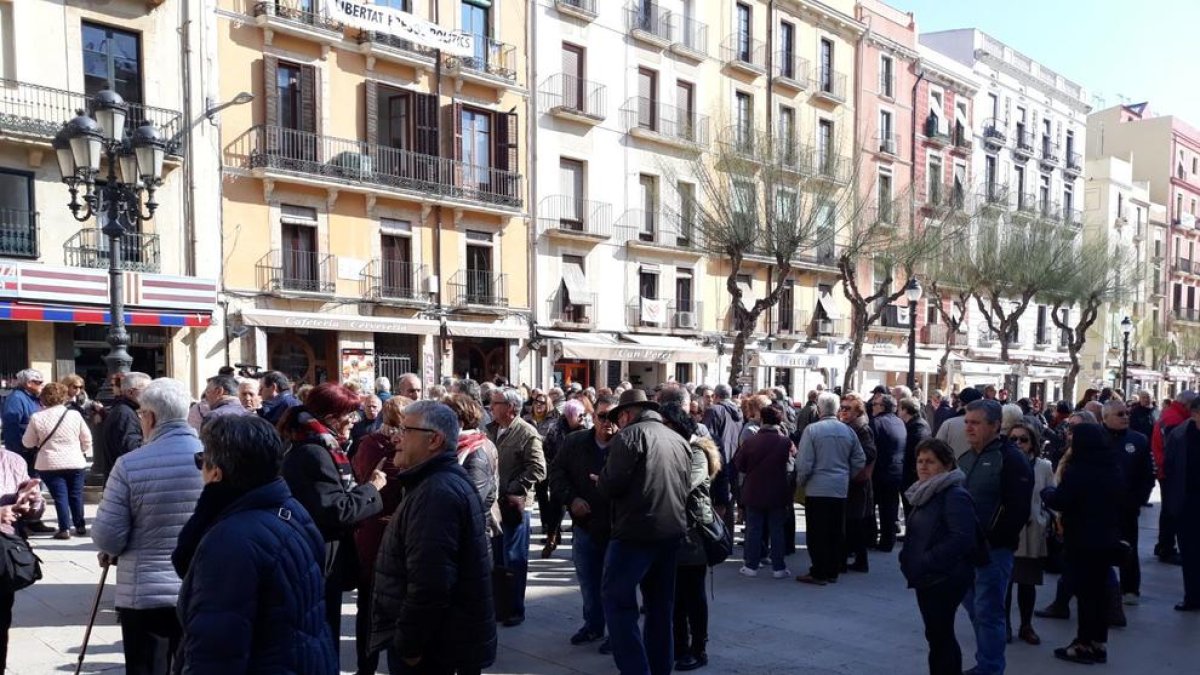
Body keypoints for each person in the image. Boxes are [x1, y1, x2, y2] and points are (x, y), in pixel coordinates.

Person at [173, 415, 337, 673]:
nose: (200, 468)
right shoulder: (291, 509)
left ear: (217, 472)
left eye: (202, 460)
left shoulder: (231, 539)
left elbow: (217, 648)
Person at [369, 400, 498, 675]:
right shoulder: (434, 483)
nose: (396, 437)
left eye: (405, 430)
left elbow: (431, 583)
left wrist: (410, 646)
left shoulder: (436, 492)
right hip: (440, 644)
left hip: (434, 650)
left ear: (434, 440)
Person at [91, 378, 203, 674]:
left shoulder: (130, 464)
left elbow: (108, 537)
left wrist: (109, 548)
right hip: (200, 588)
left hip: (146, 594)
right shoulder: (213, 459)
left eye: (141, 414)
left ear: (150, 417)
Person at [278, 383, 388, 650]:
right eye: (350, 415)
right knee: (322, 636)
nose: (354, 421)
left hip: (321, 555)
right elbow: (337, 509)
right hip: (319, 557)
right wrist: (372, 488)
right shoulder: (314, 453)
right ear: (330, 418)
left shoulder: (319, 445)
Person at [598, 389, 691, 675]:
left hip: (635, 534)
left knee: (618, 603)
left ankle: (636, 669)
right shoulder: (678, 439)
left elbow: (612, 484)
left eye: (618, 418)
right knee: (660, 609)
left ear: (626, 415)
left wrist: (600, 478)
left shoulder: (629, 436)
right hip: (670, 533)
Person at [958, 400, 1034, 675]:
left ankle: (990, 668)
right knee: (975, 609)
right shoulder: (967, 457)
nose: (969, 427)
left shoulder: (1011, 459)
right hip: (965, 550)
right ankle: (985, 662)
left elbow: (1018, 510)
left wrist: (992, 541)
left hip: (993, 552)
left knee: (989, 612)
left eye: (975, 423)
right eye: (967, 421)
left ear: (995, 425)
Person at [1041, 423, 1124, 665]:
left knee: (1085, 593)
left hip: (1082, 539)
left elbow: (1062, 499)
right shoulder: (1112, 467)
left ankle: (1083, 644)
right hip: (1107, 537)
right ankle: (1098, 642)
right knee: (1098, 593)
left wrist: (1047, 494)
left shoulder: (1080, 470)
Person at [900, 439, 978, 675]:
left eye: (930, 462)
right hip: (927, 576)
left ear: (946, 465)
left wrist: (926, 560)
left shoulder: (953, 494)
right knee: (937, 635)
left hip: (944, 578)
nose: (923, 466)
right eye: (920, 461)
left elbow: (962, 538)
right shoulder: (924, 492)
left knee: (940, 636)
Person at [550, 395, 617, 651]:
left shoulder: (627, 445)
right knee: (589, 581)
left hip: (616, 528)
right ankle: (593, 625)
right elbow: (556, 474)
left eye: (613, 417)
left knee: (614, 585)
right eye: (602, 416)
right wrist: (571, 499)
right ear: (592, 417)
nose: (607, 423)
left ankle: (616, 632)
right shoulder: (575, 442)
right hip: (585, 525)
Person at [349, 396, 409, 675]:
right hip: (391, 531)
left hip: (370, 527)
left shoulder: (368, 443)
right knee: (393, 605)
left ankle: (366, 667)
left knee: (369, 606)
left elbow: (359, 475)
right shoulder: (401, 447)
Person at [659, 401, 720, 671]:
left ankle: (699, 649)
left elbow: (684, 485)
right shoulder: (672, 449)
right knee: (674, 598)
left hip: (692, 535)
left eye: (667, 427)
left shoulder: (696, 452)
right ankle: (679, 646)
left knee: (693, 597)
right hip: (670, 533)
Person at [487, 387, 546, 627]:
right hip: (494, 504)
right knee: (498, 558)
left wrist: (513, 486)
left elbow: (538, 469)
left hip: (515, 505)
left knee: (514, 558)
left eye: (496, 403)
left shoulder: (526, 432)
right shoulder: (490, 429)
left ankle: (515, 609)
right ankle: (500, 606)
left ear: (511, 408)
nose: (491, 407)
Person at [795, 393, 866, 585]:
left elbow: (804, 462)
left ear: (819, 409)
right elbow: (860, 458)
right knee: (836, 530)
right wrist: (846, 474)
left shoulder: (812, 430)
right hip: (839, 487)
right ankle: (832, 569)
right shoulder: (847, 431)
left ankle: (819, 571)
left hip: (818, 487)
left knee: (817, 532)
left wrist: (801, 481)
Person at [1100, 399, 1155, 605]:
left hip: (1127, 507)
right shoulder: (1096, 439)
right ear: (1105, 418)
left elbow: (1147, 475)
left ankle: (1130, 588)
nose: (1125, 417)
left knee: (1129, 547)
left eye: (1126, 413)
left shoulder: (1138, 440)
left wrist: (1138, 500)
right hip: (1099, 507)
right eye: (1120, 414)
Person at [1005, 421, 1054, 646]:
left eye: (1023, 439)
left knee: (1027, 584)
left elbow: (1050, 495)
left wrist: (1045, 519)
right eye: (1013, 439)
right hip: (1007, 532)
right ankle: (1003, 625)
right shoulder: (1004, 463)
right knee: (1004, 584)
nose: (1017, 443)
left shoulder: (1043, 466)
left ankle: (1026, 625)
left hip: (1033, 531)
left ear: (1032, 444)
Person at [22, 382, 91, 539]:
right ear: (64, 397)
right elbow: (87, 438)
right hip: (75, 460)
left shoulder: (37, 417)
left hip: (49, 462)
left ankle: (64, 528)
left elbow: (27, 442)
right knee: (76, 494)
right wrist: (81, 451)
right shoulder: (74, 415)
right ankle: (80, 526)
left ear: (44, 398)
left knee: (60, 496)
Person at [735, 405, 795, 579]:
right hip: (778, 490)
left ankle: (751, 565)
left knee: (753, 529)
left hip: (754, 489)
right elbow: (793, 463)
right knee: (777, 529)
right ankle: (779, 567)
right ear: (779, 421)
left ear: (762, 420)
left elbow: (740, 465)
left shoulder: (751, 442)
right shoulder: (785, 442)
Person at [444, 393, 500, 550]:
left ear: (460, 422)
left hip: (470, 541)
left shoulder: (475, 452)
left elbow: (471, 500)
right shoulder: (456, 446)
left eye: (443, 418)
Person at [1163, 395, 1200, 612]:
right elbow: (1169, 466)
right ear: (1195, 414)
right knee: (1190, 552)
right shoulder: (1179, 435)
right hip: (1188, 502)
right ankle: (1192, 596)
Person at [538, 399, 587, 558]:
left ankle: (577, 542)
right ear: (569, 415)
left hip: (579, 476)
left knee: (578, 512)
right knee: (556, 509)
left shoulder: (585, 430)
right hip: (559, 475)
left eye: (583, 415)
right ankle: (551, 539)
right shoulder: (556, 430)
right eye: (578, 415)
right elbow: (547, 451)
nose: (581, 418)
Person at [1152, 390, 1194, 564]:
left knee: (1168, 510)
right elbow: (1174, 450)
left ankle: (1164, 546)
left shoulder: (1170, 414)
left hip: (1166, 470)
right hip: (1170, 472)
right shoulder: (1175, 419)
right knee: (1171, 511)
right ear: (1187, 405)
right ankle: (1166, 548)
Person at [840, 392, 877, 573]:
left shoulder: (861, 429)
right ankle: (851, 555)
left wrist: (851, 459)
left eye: (848, 409)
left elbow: (870, 453)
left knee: (856, 521)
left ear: (857, 412)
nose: (843, 411)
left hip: (858, 482)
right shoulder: (851, 427)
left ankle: (861, 560)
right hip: (853, 481)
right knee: (851, 521)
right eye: (842, 407)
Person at [702, 384, 743, 537]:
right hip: (734, 461)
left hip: (717, 462)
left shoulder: (714, 410)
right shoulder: (739, 412)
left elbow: (706, 437)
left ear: (716, 396)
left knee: (716, 503)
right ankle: (727, 539)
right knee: (728, 503)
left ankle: (716, 539)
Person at [870, 394, 907, 552]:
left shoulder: (877, 422)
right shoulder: (899, 422)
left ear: (882, 407)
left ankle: (871, 539)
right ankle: (888, 539)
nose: (872, 406)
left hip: (879, 471)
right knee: (890, 508)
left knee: (871, 507)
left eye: (875, 404)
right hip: (896, 471)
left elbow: (871, 449)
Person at [99, 372, 151, 474]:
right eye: (146, 390)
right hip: (123, 481)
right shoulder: (125, 414)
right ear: (130, 392)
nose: (150, 394)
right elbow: (132, 450)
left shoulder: (125, 410)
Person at [899, 396, 933, 518]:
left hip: (913, 475)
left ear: (905, 410)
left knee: (912, 509)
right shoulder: (915, 424)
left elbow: (914, 451)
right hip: (911, 474)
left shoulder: (918, 427)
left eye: (900, 408)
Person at [936, 387, 983, 457]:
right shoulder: (987, 425)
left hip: (953, 465)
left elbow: (936, 448)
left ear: (960, 402)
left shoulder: (949, 424)